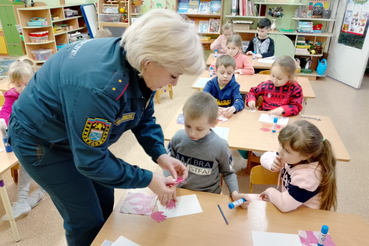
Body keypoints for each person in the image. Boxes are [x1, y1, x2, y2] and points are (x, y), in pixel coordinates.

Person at [8, 9, 204, 246]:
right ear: (148, 61)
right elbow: (91, 161)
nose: (175, 83)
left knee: (105, 197)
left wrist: (160, 155)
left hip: (72, 131)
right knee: (85, 218)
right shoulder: (101, 88)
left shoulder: (139, 65)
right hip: (40, 140)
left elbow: (143, 116)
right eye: (174, 75)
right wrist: (148, 179)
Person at [159, 92, 250, 209]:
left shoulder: (220, 146)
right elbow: (168, 163)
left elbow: (228, 173)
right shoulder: (178, 138)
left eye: (199, 128)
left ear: (214, 123)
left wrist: (235, 193)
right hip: (181, 193)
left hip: (209, 195)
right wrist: (168, 178)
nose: (192, 132)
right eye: (187, 126)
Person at [0, 59, 47, 221]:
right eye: (18, 85)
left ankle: (40, 190)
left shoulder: (38, 93)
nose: (22, 89)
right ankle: (21, 200)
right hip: (24, 138)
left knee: (35, 161)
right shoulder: (11, 95)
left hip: (45, 138)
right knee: (25, 158)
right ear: (12, 84)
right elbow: (4, 114)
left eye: (25, 84)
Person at [259, 120, 337, 213]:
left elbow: (284, 205)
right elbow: (265, 156)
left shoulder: (308, 176)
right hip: (294, 206)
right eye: (281, 145)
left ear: (306, 155)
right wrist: (272, 164)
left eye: (287, 151)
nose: (280, 152)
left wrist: (269, 191)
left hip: (306, 215)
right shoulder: (291, 156)